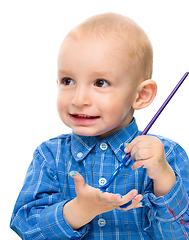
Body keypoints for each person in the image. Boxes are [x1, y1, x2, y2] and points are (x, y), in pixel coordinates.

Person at [10, 13, 189, 239]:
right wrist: (78, 211)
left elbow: (181, 234)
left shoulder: (168, 157)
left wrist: (163, 179)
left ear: (141, 95)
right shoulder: (50, 156)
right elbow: (26, 227)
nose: (78, 98)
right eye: (68, 81)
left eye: (100, 83)